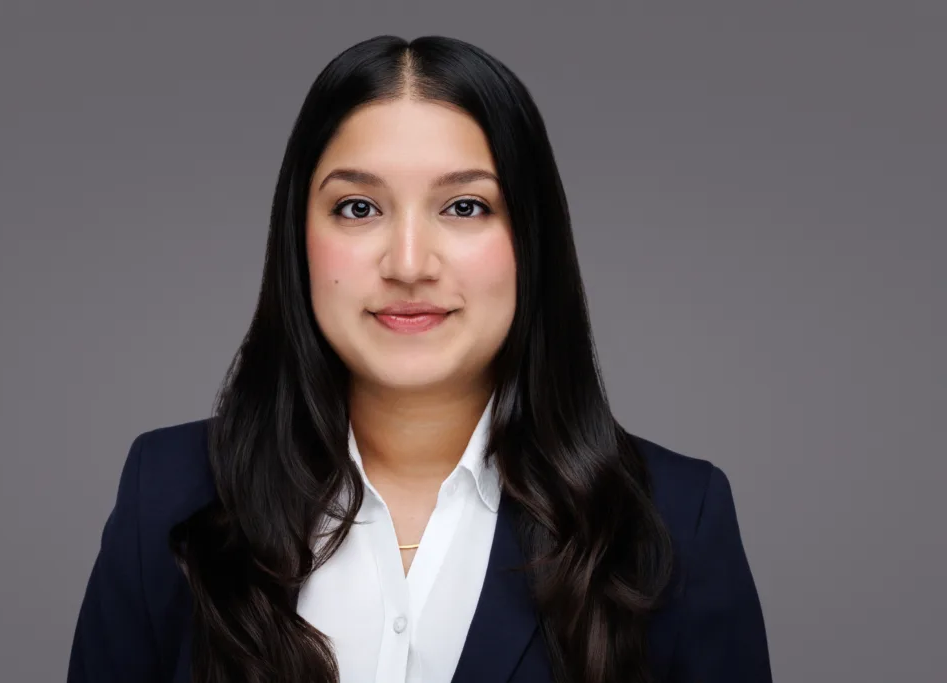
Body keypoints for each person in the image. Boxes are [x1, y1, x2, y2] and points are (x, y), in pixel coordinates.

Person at [67, 34, 771, 683]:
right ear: (298, 237)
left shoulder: (674, 520)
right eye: (358, 208)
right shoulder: (169, 496)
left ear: (532, 240)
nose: (408, 264)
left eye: (464, 207)